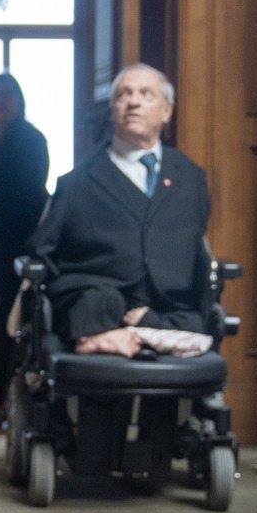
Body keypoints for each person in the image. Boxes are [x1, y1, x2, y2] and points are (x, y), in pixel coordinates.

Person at [25, 64, 213, 359]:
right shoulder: (77, 182)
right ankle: (99, 336)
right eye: (124, 94)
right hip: (98, 303)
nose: (134, 101)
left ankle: (144, 327)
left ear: (166, 111)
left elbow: (197, 241)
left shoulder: (190, 177)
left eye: (146, 94)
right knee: (96, 300)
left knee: (196, 322)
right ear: (113, 110)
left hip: (168, 307)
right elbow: (41, 250)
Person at [0, 72, 50, 423]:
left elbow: (33, 193)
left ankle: (1, 402)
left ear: (19, 99)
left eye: (7, 94)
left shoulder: (32, 138)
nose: (1, 101)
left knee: (9, 322)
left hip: (18, 243)